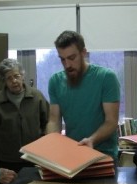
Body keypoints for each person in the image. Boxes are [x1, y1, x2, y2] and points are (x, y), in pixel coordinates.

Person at [46, 30, 120, 160]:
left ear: (83, 53)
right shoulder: (55, 82)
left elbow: (111, 122)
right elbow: (53, 121)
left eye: (71, 58)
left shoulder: (106, 77)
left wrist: (92, 140)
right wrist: (51, 145)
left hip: (103, 155)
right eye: (62, 59)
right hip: (73, 155)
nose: (67, 65)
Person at [0, 58, 49, 173]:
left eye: (16, 76)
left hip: (35, 159)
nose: (14, 81)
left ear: (22, 76)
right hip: (7, 162)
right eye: (9, 78)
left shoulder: (37, 97)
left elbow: (48, 124)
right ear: (4, 81)